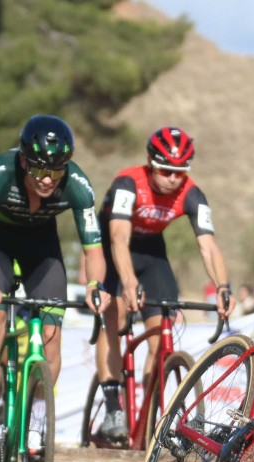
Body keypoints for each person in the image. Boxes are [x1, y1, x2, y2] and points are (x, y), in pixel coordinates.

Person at [0, 114, 110, 462]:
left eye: (56, 171)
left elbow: (93, 251)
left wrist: (95, 286)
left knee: (51, 334)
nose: (46, 179)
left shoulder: (77, 184)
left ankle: (35, 426)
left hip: (42, 251)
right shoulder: (0, 173)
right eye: (40, 170)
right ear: (24, 160)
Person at [93, 126, 233, 443]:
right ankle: (113, 406)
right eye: (165, 171)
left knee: (162, 336)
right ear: (150, 162)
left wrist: (223, 286)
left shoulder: (192, 193)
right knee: (115, 318)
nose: (172, 178)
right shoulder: (128, 183)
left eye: (179, 172)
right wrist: (127, 282)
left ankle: (149, 412)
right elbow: (117, 239)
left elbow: (208, 245)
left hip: (152, 251)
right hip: (114, 248)